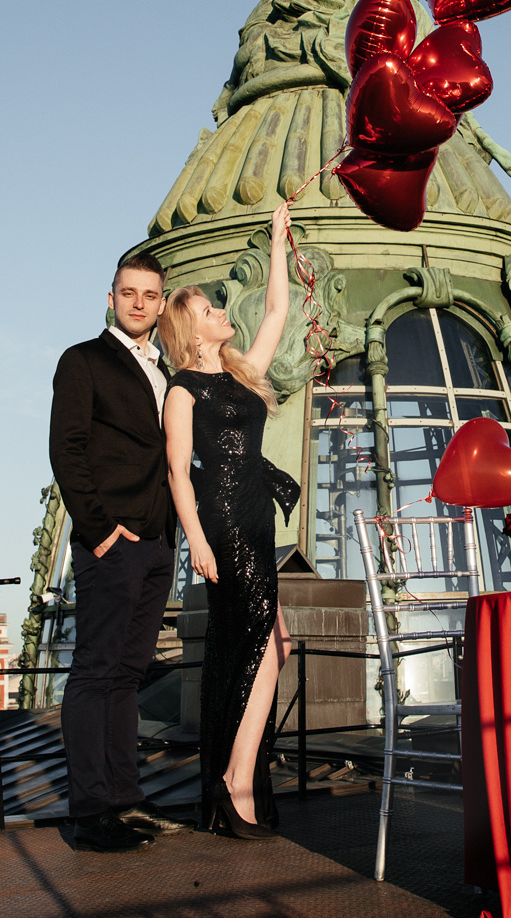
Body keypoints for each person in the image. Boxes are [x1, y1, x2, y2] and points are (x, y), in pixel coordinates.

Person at [157, 205, 301, 838]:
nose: (221, 311)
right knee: (261, 651)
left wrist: (277, 240)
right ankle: (235, 782)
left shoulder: (242, 375)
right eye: (208, 309)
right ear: (191, 329)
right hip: (223, 523)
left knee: (269, 645)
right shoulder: (182, 388)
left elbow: (276, 312)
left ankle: (238, 779)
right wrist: (196, 543)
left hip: (257, 518)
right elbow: (177, 471)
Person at [49, 249, 191, 853]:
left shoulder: (168, 369)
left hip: (159, 541)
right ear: (111, 297)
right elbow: (67, 450)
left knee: (127, 675)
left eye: (150, 295)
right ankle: (90, 811)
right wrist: (102, 529)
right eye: (128, 293)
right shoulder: (82, 361)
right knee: (94, 672)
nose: (139, 304)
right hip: (113, 541)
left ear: (161, 304)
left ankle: (124, 797)